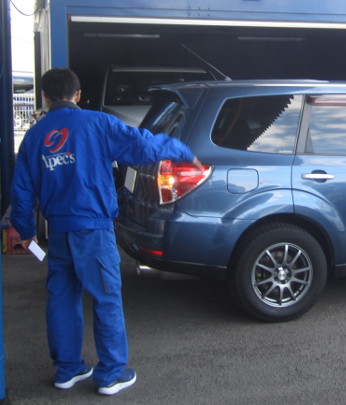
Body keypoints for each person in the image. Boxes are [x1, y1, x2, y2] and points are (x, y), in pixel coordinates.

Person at [9, 68, 202, 395]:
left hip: (58, 232)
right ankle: (111, 373)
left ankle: (67, 370)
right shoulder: (97, 124)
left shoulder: (35, 136)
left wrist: (26, 232)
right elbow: (144, 146)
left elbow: (22, 190)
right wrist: (184, 152)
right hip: (93, 231)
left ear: (45, 96)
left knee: (61, 298)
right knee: (105, 298)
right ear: (78, 94)